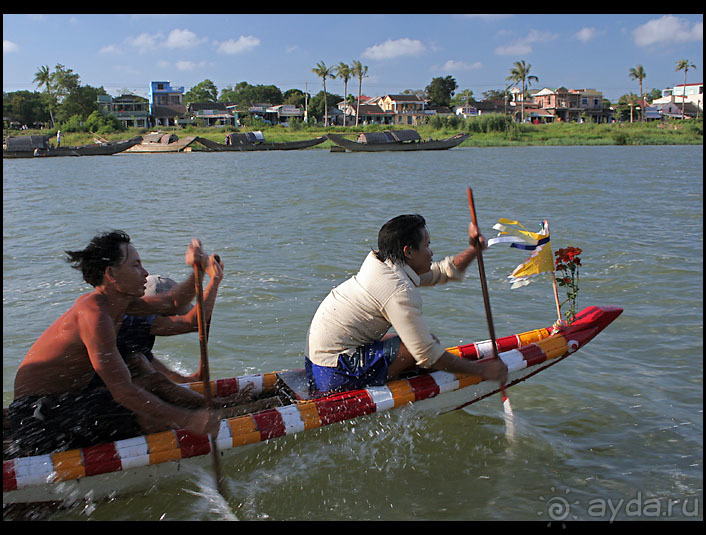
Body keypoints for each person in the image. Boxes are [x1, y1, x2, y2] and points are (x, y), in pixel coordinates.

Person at [8, 231, 223, 456]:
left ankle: (213, 412)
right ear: (111, 274)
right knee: (143, 412)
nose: (145, 273)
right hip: (36, 416)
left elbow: (174, 302)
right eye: (136, 266)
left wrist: (196, 270)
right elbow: (122, 391)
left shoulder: (120, 304)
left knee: (152, 382)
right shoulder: (94, 314)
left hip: (66, 402)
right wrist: (189, 420)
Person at [305, 214, 508, 393]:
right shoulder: (397, 289)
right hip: (333, 374)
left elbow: (442, 272)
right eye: (427, 246)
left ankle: (383, 371)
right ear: (408, 252)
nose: (431, 252)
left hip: (316, 364)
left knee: (410, 339)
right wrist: (484, 371)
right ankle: (382, 385)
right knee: (418, 346)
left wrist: (474, 250)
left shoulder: (382, 263)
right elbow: (426, 353)